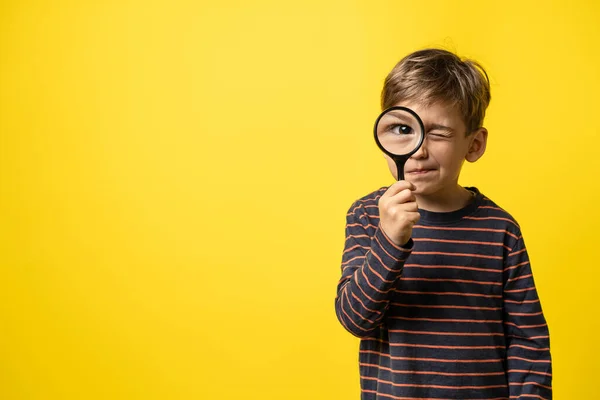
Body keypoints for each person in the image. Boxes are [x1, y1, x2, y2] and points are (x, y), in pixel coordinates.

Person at [334, 48, 552, 399]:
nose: (418, 149)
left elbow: (528, 342)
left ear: (474, 144)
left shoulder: (500, 230)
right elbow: (355, 319)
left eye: (438, 133)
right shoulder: (368, 216)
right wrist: (389, 241)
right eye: (402, 128)